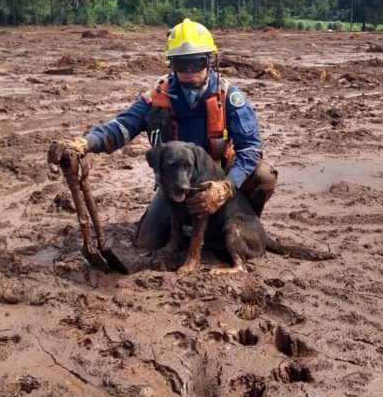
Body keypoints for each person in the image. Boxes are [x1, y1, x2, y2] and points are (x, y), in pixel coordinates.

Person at [52, 18, 277, 250]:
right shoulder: (158, 97)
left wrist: (226, 187)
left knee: (263, 176)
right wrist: (85, 142)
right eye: (182, 63)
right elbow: (121, 127)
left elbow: (250, 148)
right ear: (171, 64)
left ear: (210, 62)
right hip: (176, 179)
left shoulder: (228, 97)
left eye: (196, 62)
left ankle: (243, 227)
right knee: (146, 241)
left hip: (220, 175)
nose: (189, 71)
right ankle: (190, 230)